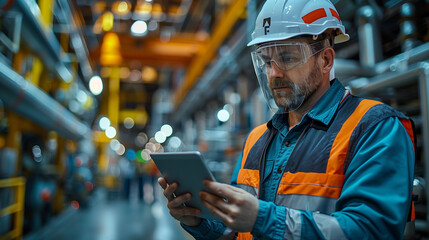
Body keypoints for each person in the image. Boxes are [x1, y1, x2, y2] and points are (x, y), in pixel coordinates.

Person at [158, 0, 416, 239]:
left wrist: (263, 218)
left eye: (288, 58)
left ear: (325, 60)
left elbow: (371, 230)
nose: (274, 73)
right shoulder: (257, 139)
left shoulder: (374, 127)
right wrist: (198, 220)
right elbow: (235, 228)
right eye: (267, 61)